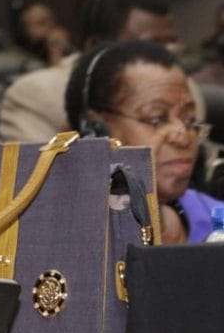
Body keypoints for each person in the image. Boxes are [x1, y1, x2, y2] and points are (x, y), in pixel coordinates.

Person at [0, 0, 204, 142]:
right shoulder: (34, 96)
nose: (165, 54)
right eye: (150, 45)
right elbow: (35, 185)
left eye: (171, 42)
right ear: (95, 46)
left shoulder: (186, 91)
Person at [65, 40, 219, 243]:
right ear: (95, 130)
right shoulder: (60, 240)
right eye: (156, 119)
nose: (183, 136)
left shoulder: (216, 218)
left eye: (189, 120)